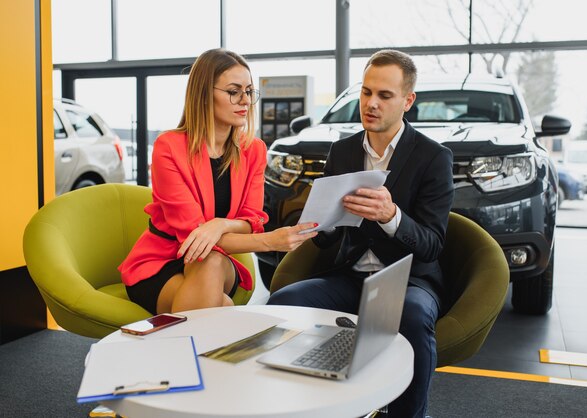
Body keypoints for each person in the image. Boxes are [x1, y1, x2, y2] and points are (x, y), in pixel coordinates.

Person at [267, 49, 454, 418]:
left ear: (407, 101)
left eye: (384, 95)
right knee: (284, 301)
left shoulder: (434, 157)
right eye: (366, 93)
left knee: (414, 317)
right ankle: (309, 406)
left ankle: (409, 415)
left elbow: (432, 244)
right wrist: (321, 220)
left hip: (409, 280)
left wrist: (392, 215)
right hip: (352, 275)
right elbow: (325, 237)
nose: (370, 104)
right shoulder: (343, 150)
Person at [119, 48, 317, 315]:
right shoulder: (169, 147)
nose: (244, 100)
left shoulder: (253, 150)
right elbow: (195, 237)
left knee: (210, 261)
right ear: (203, 95)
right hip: (159, 264)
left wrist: (219, 224)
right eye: (233, 91)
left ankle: (173, 354)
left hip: (218, 263)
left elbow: (253, 221)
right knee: (219, 305)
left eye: (248, 91)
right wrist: (272, 241)